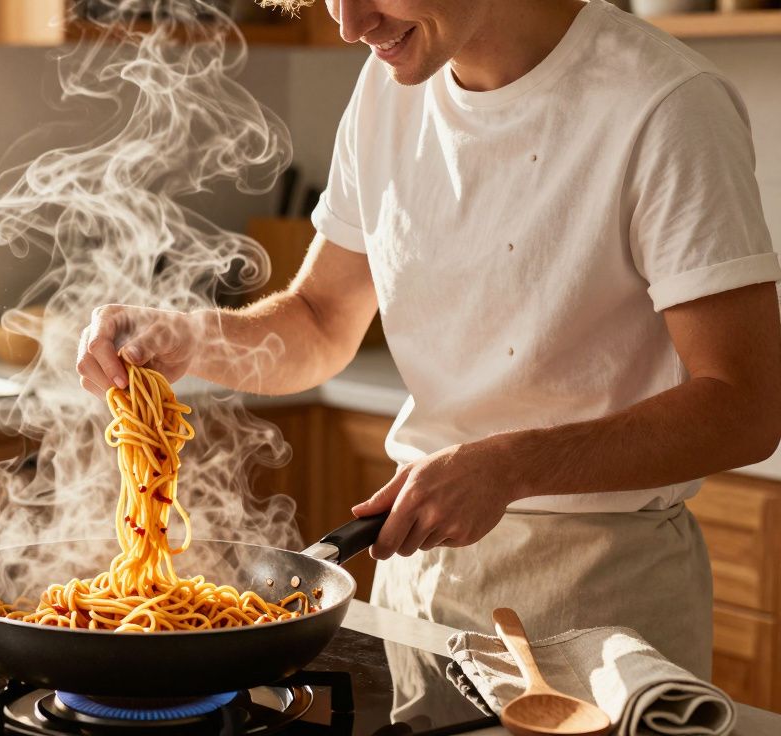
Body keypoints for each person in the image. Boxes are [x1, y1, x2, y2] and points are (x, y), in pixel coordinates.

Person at [75, 0, 781, 678]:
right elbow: (320, 321)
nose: (350, 24)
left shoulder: (665, 104)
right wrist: (187, 337)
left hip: (599, 603)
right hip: (417, 590)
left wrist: (508, 467)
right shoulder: (389, 88)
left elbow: (744, 406)